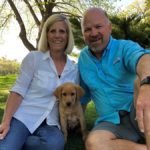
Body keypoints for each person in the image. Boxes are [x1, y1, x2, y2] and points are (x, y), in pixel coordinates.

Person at [0, 14, 79, 150]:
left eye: (62, 31)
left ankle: (22, 141)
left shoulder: (73, 68)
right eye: (52, 31)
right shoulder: (34, 58)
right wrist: (6, 122)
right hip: (23, 117)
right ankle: (15, 138)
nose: (57, 35)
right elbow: (18, 90)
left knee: (55, 144)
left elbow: (73, 98)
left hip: (50, 123)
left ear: (68, 36)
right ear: (46, 35)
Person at [78, 7, 150, 150]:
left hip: (137, 110)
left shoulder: (124, 47)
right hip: (110, 121)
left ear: (109, 28)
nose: (93, 33)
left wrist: (147, 83)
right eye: (87, 29)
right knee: (93, 143)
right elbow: (83, 96)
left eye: (98, 26)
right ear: (83, 34)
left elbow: (144, 59)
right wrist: (79, 125)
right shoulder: (83, 59)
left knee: (140, 82)